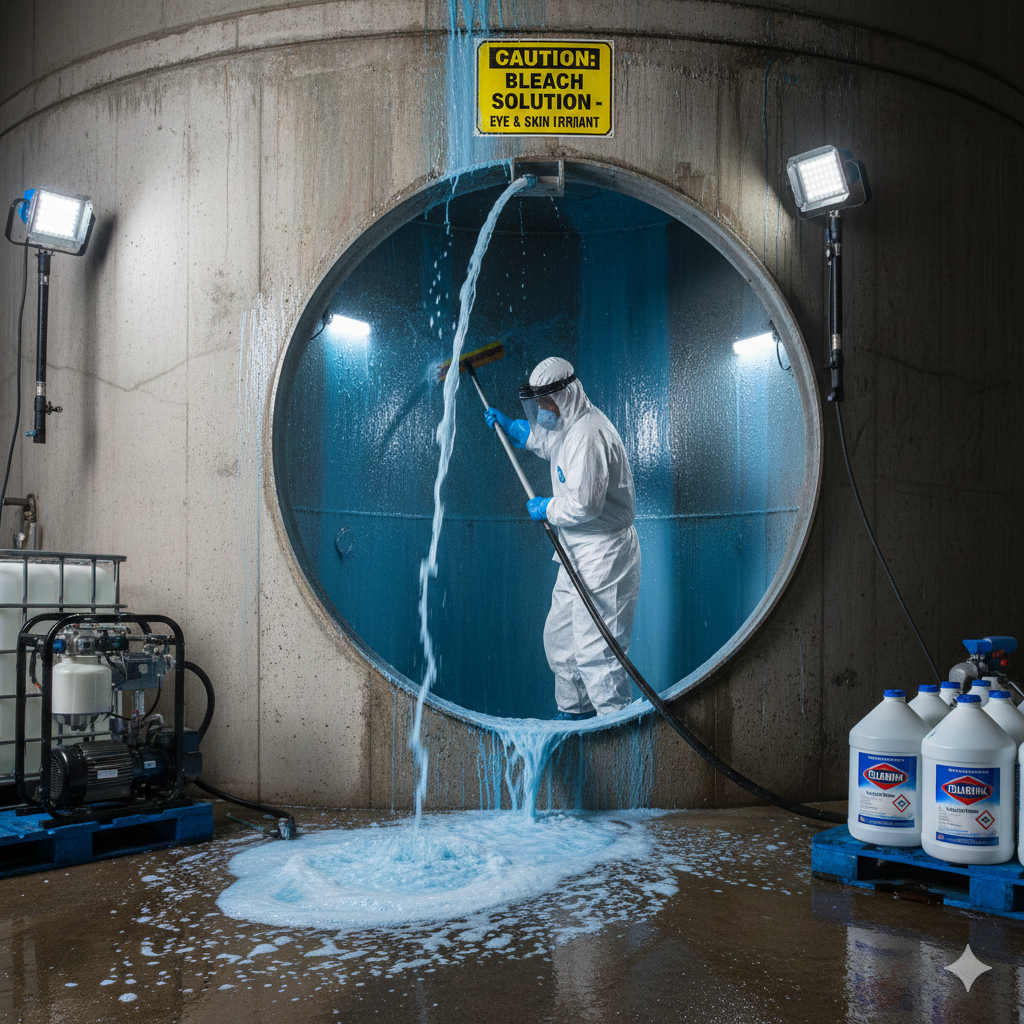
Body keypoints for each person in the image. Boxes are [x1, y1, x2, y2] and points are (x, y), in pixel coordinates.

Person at [485, 356, 641, 720]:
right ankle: (574, 714)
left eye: (546, 403)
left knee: (596, 652)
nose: (542, 411)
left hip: (604, 554)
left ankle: (614, 726)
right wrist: (513, 428)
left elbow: (586, 505)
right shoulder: (568, 426)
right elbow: (546, 441)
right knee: (560, 639)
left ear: (567, 396)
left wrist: (547, 508)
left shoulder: (589, 436)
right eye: (537, 404)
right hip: (575, 550)